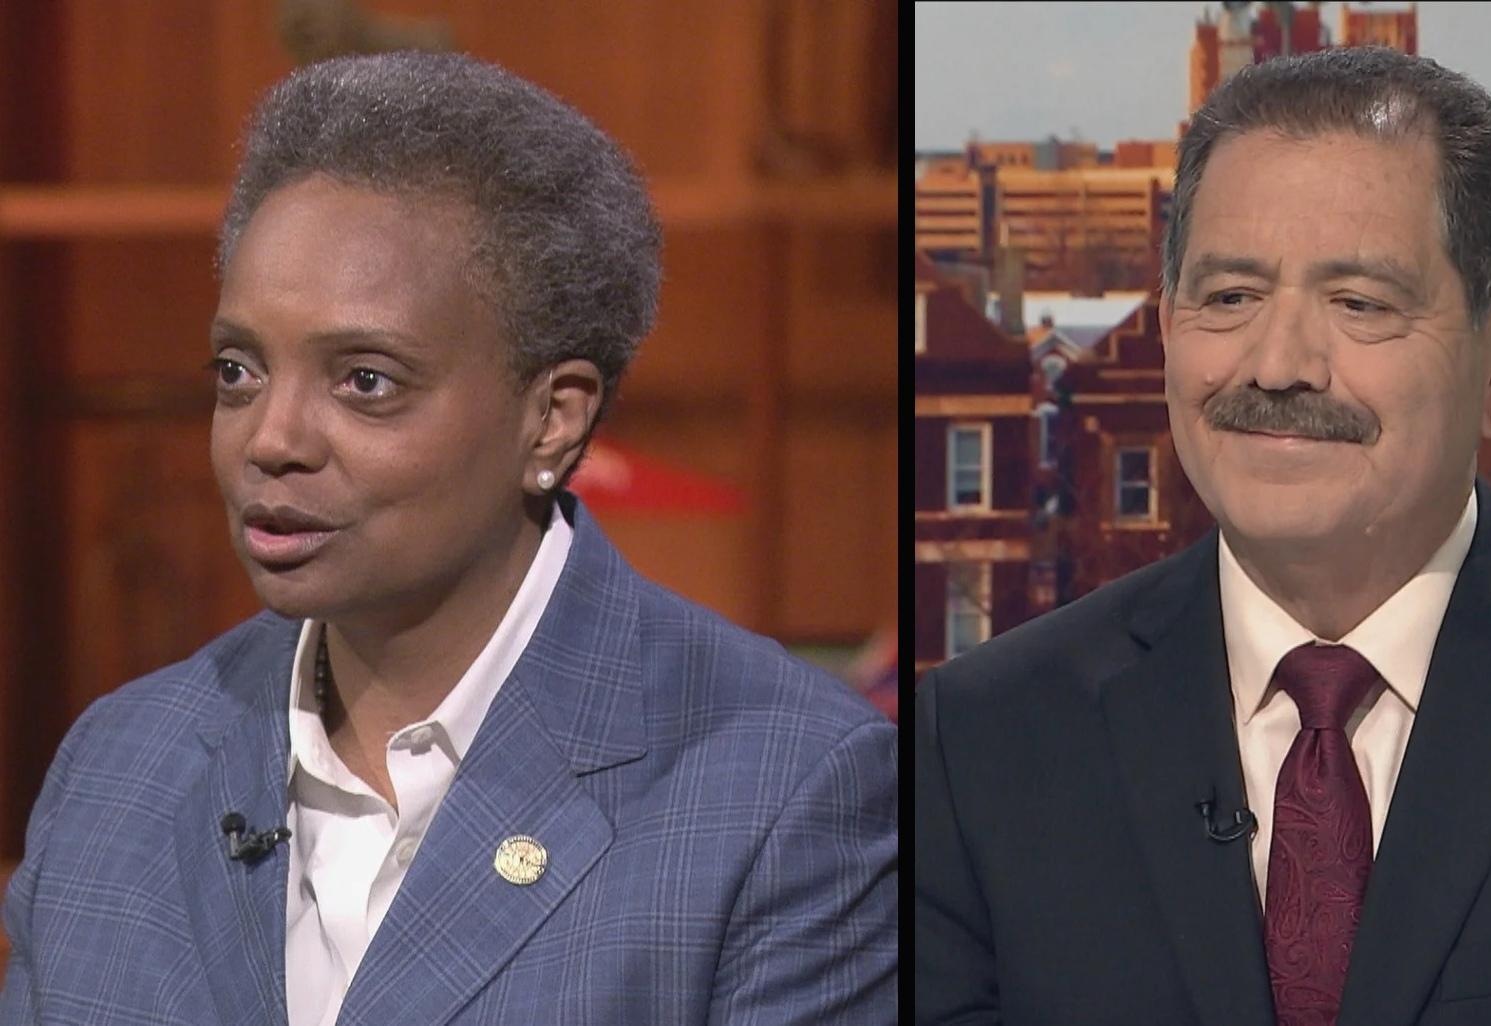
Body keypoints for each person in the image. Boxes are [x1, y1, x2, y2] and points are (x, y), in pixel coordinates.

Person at [915, 47, 1491, 1026]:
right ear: (1170, 327)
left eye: (1360, 303)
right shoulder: (979, 744)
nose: (1277, 365)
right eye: (1229, 297)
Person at [1, 51, 896, 1025]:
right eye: (238, 371)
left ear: (551, 421)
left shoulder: (784, 789)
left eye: (366, 382)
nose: (272, 440)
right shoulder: (119, 768)